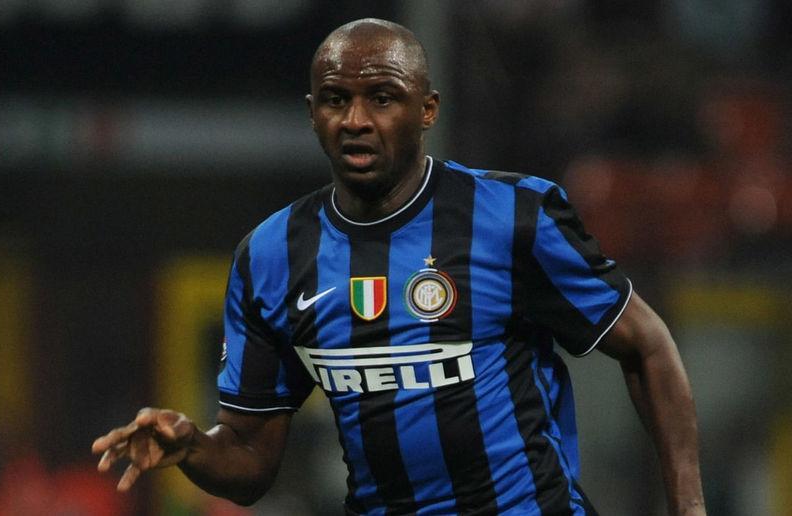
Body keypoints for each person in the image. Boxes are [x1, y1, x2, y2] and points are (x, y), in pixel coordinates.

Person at [92, 18, 706, 515]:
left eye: (382, 98)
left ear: (428, 109)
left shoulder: (513, 218)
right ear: (313, 112)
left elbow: (647, 346)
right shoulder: (271, 256)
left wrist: (689, 508)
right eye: (336, 99)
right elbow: (251, 461)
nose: (356, 120)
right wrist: (194, 447)